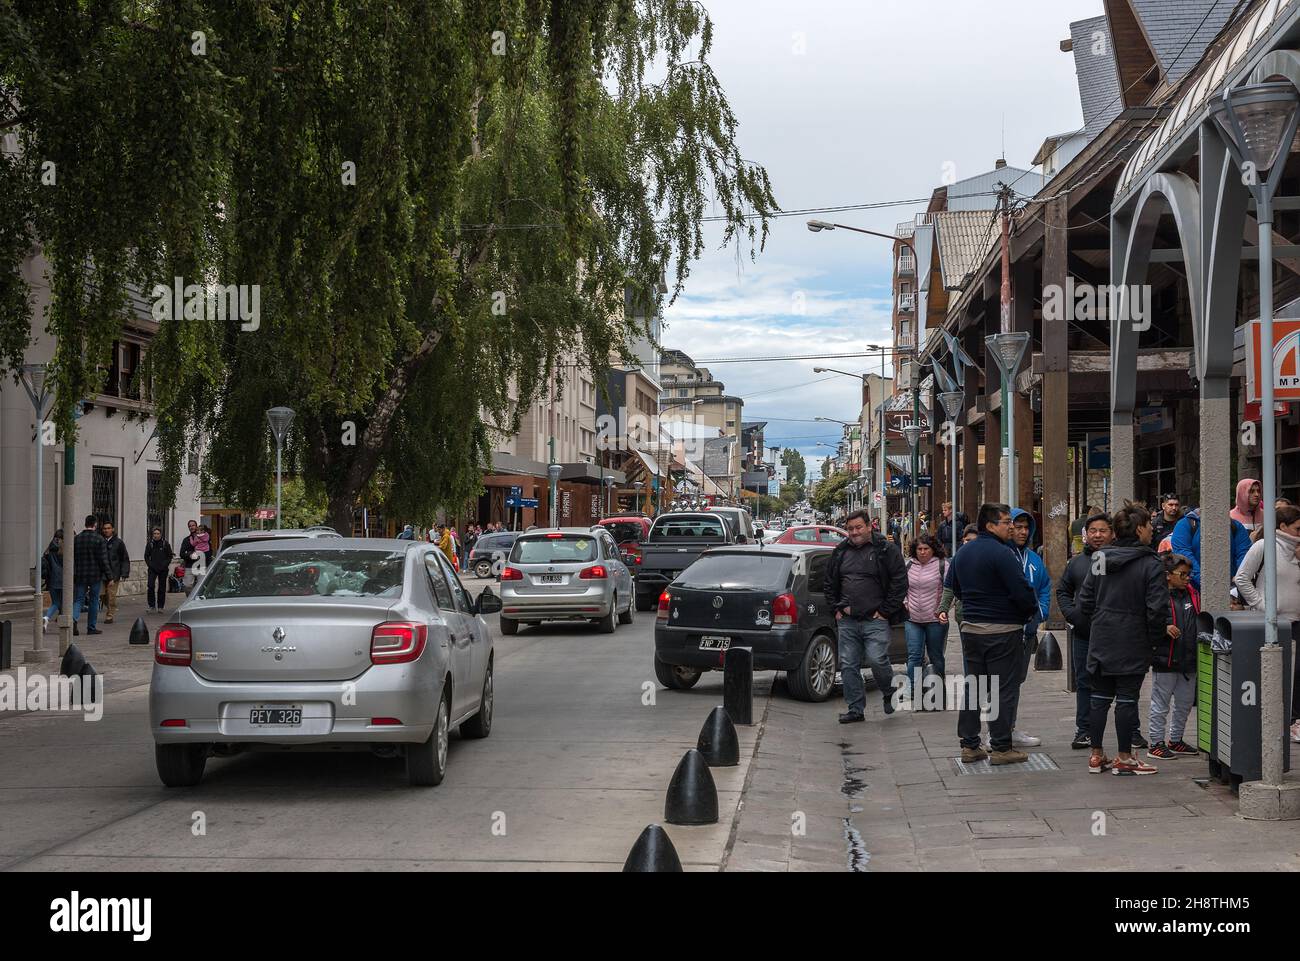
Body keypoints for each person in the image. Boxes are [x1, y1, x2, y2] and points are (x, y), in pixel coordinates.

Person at [1078, 503, 1168, 776]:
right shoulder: (1150, 563)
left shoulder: (1100, 558)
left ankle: (1095, 755)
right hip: (1133, 638)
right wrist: (1154, 641)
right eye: (1150, 526)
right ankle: (1124, 757)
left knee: (1099, 697)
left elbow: (1085, 601)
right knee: (1127, 699)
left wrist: (1102, 618)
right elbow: (1156, 609)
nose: (1152, 530)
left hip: (1102, 636)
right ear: (1139, 528)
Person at [948, 503, 1040, 765]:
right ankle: (1001, 747)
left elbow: (954, 586)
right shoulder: (1003, 553)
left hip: (972, 629)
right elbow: (1022, 592)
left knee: (974, 687)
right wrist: (1026, 613)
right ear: (990, 525)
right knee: (1003, 689)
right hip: (1003, 629)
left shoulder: (963, 553)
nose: (1011, 526)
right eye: (1005, 522)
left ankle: (969, 745)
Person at [824, 510, 908, 724]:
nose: (854, 532)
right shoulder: (840, 551)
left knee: (876, 659)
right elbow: (829, 582)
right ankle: (855, 709)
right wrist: (837, 609)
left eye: (858, 527)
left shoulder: (885, 550)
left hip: (876, 619)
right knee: (848, 664)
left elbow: (899, 582)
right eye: (850, 528)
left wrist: (885, 611)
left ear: (869, 526)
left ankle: (889, 692)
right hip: (847, 620)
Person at [1233, 504, 1300, 744]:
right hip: (1275, 620)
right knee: (1279, 671)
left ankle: (1295, 719)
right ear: (1283, 527)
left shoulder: (1297, 550)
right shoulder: (1264, 546)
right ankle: (1282, 720)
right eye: (1297, 528)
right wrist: (1262, 604)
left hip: (1297, 618)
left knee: (1298, 673)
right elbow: (1241, 578)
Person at [1057, 511, 1114, 751]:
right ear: (1086, 534)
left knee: (1121, 683)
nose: (1098, 535)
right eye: (1093, 531)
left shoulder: (1118, 560)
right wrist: (1074, 615)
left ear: (1112, 533)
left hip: (1114, 633)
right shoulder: (1077, 563)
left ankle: (1131, 730)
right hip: (1083, 632)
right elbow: (1062, 591)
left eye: (1102, 530)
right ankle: (1084, 730)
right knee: (1084, 681)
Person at [1147, 553, 1200, 761]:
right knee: (1160, 704)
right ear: (1168, 575)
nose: (1187, 578)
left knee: (1185, 703)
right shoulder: (1157, 596)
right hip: (1165, 658)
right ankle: (1156, 742)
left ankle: (1175, 739)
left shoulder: (1192, 594)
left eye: (1189, 574)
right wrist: (1163, 627)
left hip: (1188, 659)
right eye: (1183, 574)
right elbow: (1147, 621)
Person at [1008, 508, 1052, 749]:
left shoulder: (1034, 559)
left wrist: (1041, 613)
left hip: (1027, 632)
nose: (1023, 532)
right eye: (1018, 526)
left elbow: (1045, 587)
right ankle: (997, 730)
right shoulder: (1002, 555)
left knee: (1016, 681)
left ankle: (1009, 728)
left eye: (1026, 527)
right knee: (1001, 681)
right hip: (1004, 631)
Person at [902, 534, 947, 703]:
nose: (922, 552)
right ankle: (913, 690)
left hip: (935, 620)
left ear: (933, 549)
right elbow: (902, 588)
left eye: (926, 549)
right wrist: (905, 602)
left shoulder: (943, 565)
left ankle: (937, 690)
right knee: (914, 656)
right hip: (912, 619)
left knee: (936, 656)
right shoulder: (908, 565)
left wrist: (942, 609)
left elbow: (950, 590)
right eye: (919, 549)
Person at [1169, 506, 1251, 590]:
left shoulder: (1235, 526)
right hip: (1193, 591)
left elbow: (1244, 555)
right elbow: (1184, 555)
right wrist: (1205, 582)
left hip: (1229, 589)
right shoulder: (1184, 525)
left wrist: (1237, 580)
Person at [72, 514, 109, 636]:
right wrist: (109, 575)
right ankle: (91, 627)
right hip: (95, 574)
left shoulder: (77, 539)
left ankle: (73, 619)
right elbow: (103, 559)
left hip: (80, 573)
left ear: (85, 524)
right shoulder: (99, 539)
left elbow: (72, 557)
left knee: (78, 599)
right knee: (94, 600)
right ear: (95, 524)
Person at [99, 520, 130, 624]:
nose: (106, 530)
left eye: (108, 528)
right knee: (102, 594)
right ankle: (110, 607)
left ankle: (110, 615)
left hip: (114, 573)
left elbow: (124, 558)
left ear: (112, 529)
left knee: (111, 594)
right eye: (104, 528)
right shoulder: (100, 541)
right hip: (102, 573)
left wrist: (124, 572)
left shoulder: (118, 542)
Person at [144, 527, 173, 612]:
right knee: (150, 585)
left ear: (161, 534)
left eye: (157, 534)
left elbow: (169, 556)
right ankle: (151, 605)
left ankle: (160, 606)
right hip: (152, 568)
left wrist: (164, 565)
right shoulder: (150, 544)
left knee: (162, 587)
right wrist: (150, 565)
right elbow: (146, 556)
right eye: (154, 534)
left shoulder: (165, 544)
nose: (156, 535)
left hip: (163, 569)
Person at [40, 530, 64, 633]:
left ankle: (46, 618)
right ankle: (64, 623)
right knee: (65, 602)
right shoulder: (64, 549)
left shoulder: (48, 550)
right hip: (63, 579)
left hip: (51, 579)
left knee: (55, 602)